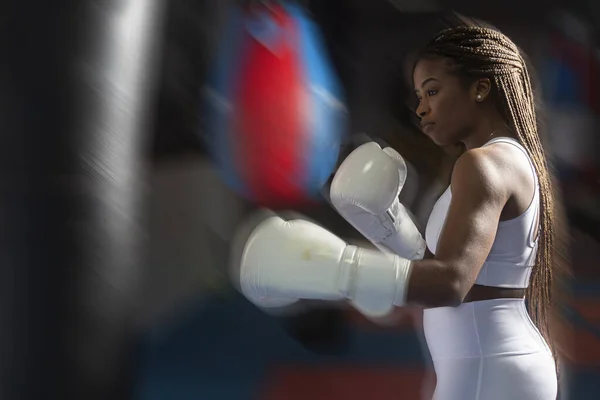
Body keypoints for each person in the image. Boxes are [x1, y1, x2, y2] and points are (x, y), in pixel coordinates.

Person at [229, 19, 567, 400]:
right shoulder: (506, 160)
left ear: (480, 88)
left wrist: (335, 268)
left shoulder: (482, 166)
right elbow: (458, 272)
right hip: (490, 362)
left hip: (487, 365)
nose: (422, 109)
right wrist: (388, 223)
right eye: (419, 96)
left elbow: (452, 283)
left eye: (433, 91)